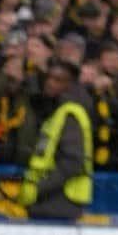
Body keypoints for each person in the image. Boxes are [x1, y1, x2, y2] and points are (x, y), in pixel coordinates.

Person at [19, 58, 93, 221]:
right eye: (49, 78)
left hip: (60, 201)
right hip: (50, 201)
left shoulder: (70, 114)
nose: (50, 83)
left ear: (69, 85)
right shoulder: (55, 111)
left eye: (58, 80)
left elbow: (73, 161)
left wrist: (40, 188)